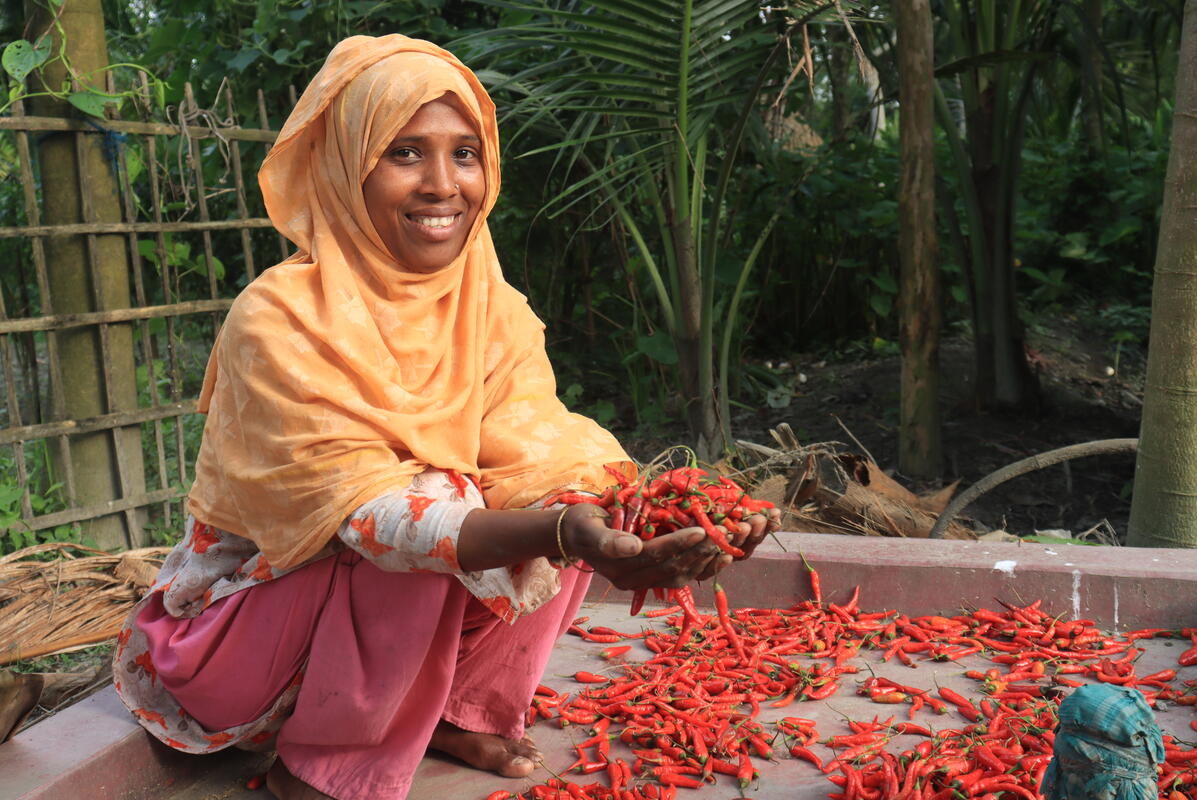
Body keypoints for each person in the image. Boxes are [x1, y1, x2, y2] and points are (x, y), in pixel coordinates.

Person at [113, 35, 776, 800]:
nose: (443, 185)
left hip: (372, 628)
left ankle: (456, 712)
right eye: (404, 153)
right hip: (241, 652)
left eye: (465, 154)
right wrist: (566, 532)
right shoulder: (276, 320)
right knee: (439, 512)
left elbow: (548, 463)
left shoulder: (493, 312)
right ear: (346, 168)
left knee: (575, 474)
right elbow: (376, 519)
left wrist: (673, 521)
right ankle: (328, 766)